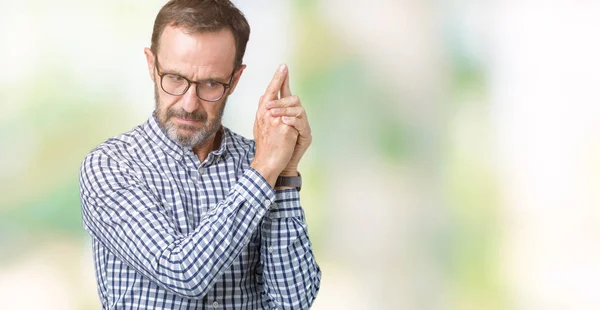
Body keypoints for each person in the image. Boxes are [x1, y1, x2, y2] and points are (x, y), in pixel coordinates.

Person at [78, 0, 321, 309]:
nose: (190, 104)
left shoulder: (261, 163)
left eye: (210, 83)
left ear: (234, 80)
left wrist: (284, 172)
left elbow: (293, 302)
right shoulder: (111, 166)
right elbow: (182, 272)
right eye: (176, 79)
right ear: (152, 66)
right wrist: (263, 171)